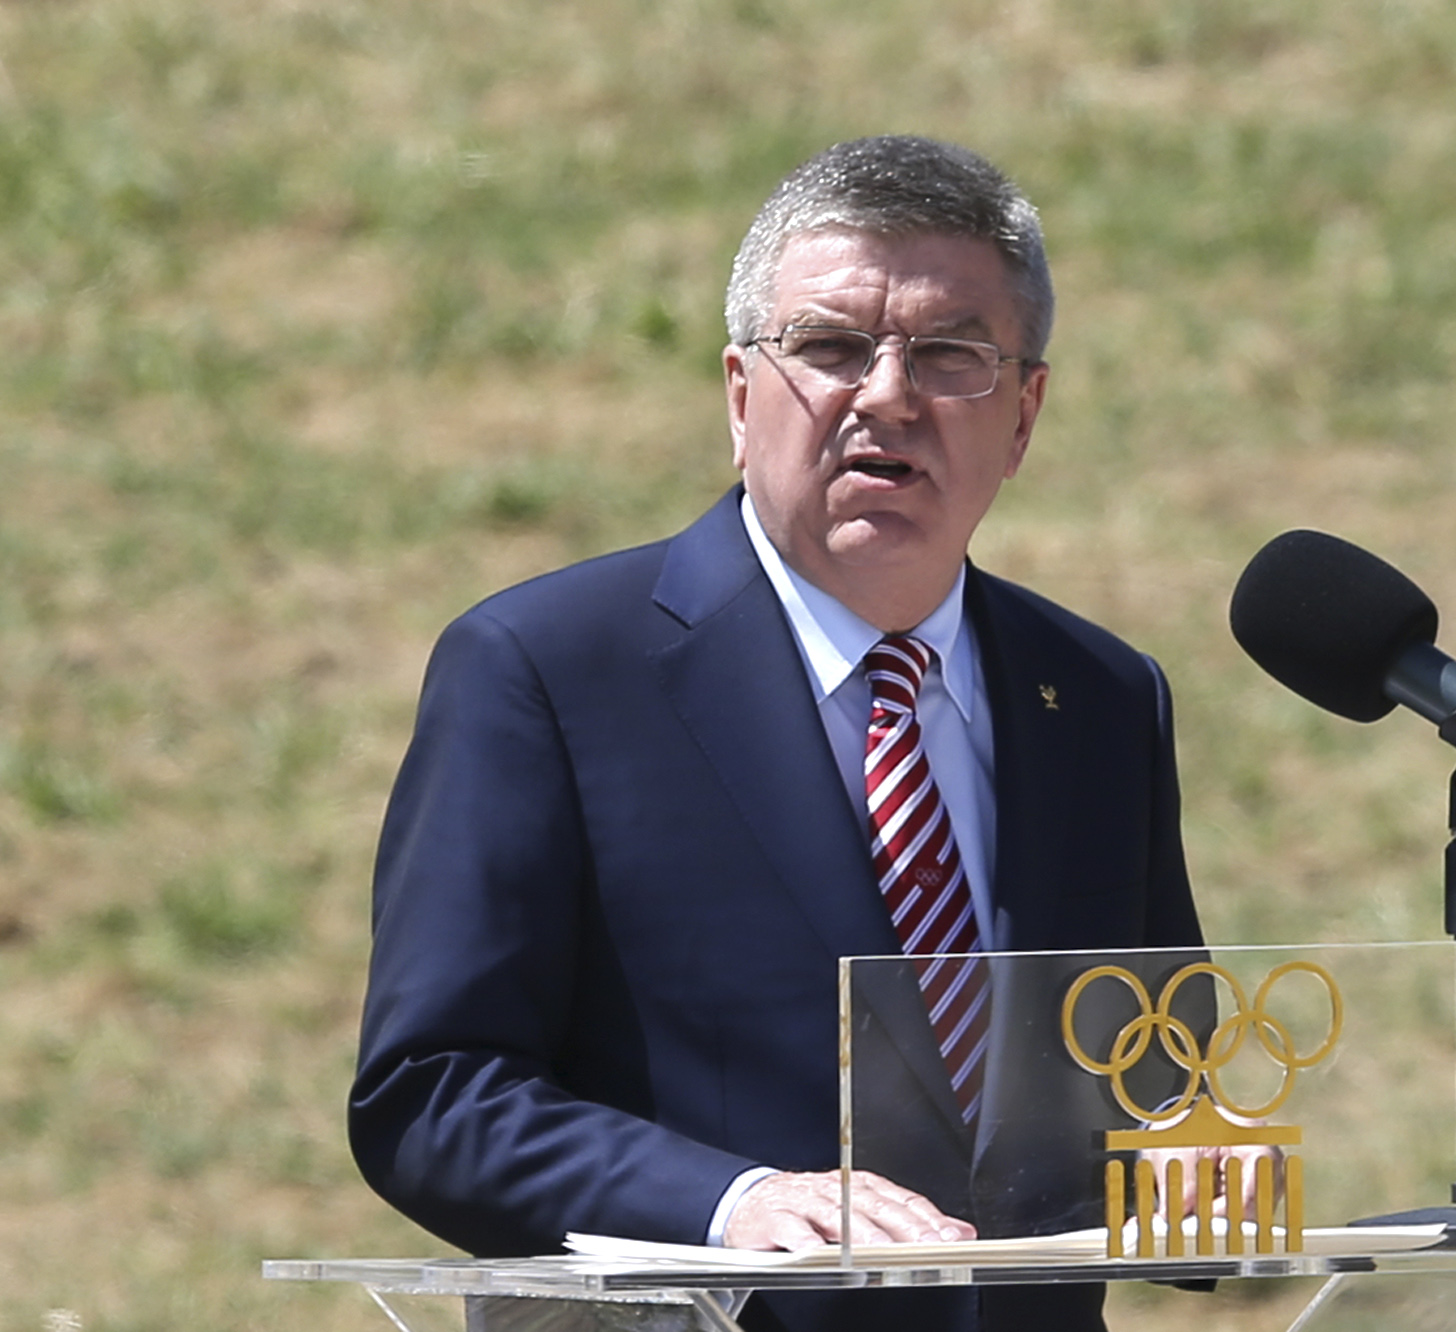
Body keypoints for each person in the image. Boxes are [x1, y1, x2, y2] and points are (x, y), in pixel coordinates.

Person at [349, 135, 1206, 1332]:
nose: (886, 395)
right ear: (741, 398)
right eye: (830, 348)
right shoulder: (549, 671)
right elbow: (431, 1095)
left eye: (950, 354)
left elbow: (1155, 1073)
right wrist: (731, 1205)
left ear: (1022, 415)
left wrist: (1195, 1172)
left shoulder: (1101, 695)